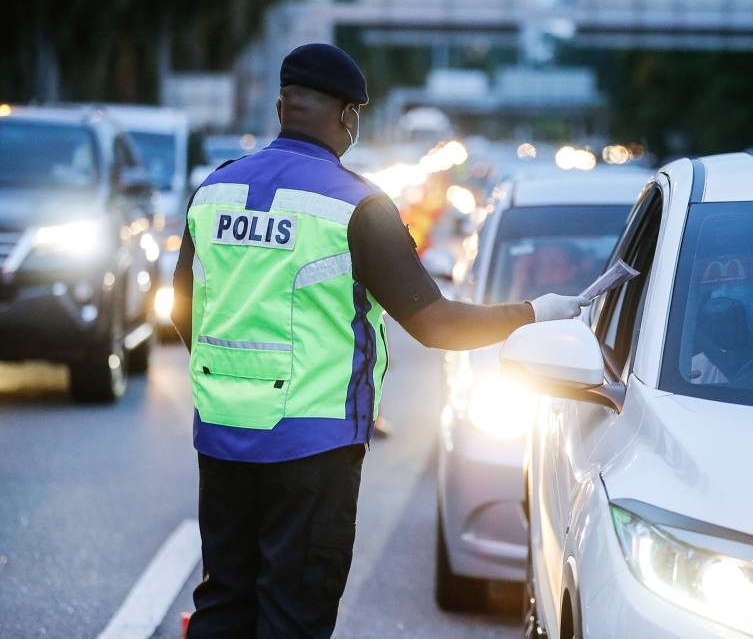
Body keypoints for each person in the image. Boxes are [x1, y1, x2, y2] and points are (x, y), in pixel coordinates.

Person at [170, 43, 587, 639]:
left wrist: (231, 385)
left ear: (281, 105)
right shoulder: (356, 204)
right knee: (294, 613)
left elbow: (184, 307)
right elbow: (433, 322)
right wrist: (532, 313)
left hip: (222, 436)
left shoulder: (213, 191)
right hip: (314, 446)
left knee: (224, 601)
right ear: (348, 117)